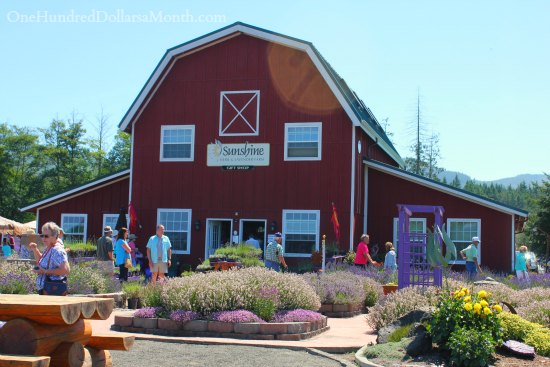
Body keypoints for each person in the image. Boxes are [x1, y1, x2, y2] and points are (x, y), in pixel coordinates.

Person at [29, 221, 70, 295]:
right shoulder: (49, 247)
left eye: (46, 236)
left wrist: (45, 271)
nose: (43, 238)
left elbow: (65, 270)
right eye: (42, 235)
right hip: (47, 289)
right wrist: (35, 249)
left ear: (55, 236)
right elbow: (41, 261)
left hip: (53, 290)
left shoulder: (57, 250)